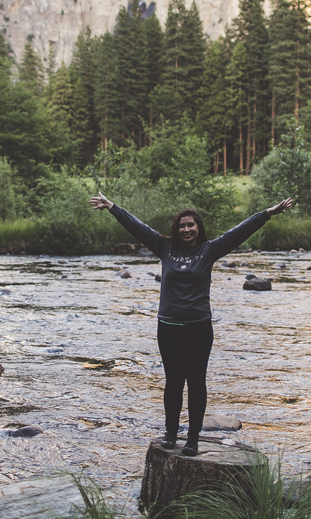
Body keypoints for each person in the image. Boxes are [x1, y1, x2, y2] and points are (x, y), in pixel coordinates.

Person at [89, 192, 292, 456]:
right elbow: (137, 227)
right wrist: (112, 207)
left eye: (191, 225)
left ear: (198, 228)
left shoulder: (209, 250)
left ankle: (194, 438)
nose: (186, 229)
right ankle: (171, 434)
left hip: (198, 327)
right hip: (169, 326)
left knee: (196, 382)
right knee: (173, 382)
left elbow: (240, 231)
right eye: (182, 225)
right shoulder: (164, 247)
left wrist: (268, 212)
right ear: (176, 229)